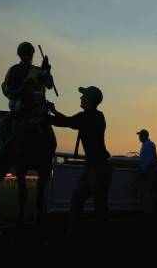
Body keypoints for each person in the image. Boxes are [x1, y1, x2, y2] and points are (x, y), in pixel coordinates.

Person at [47, 86, 111, 249]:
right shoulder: (97, 116)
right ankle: (75, 239)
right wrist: (54, 112)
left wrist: (46, 116)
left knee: (92, 206)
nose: (81, 99)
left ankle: (92, 243)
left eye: (84, 96)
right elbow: (70, 121)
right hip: (97, 167)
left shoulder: (86, 117)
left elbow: (67, 122)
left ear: (90, 100)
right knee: (83, 202)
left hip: (96, 169)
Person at [0, 42, 52, 149]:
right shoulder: (14, 70)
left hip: (38, 103)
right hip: (19, 101)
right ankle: (0, 139)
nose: (27, 56)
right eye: (24, 53)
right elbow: (5, 86)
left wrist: (47, 71)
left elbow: (49, 85)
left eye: (29, 53)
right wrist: (15, 93)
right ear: (20, 55)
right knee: (14, 114)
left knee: (45, 121)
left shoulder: (38, 70)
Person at [137, 129, 157, 214]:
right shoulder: (146, 144)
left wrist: (144, 171)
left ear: (144, 136)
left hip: (149, 173)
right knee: (147, 192)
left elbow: (149, 159)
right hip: (148, 172)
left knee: (148, 192)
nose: (139, 137)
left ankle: (148, 211)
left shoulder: (148, 145)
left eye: (140, 135)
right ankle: (147, 210)